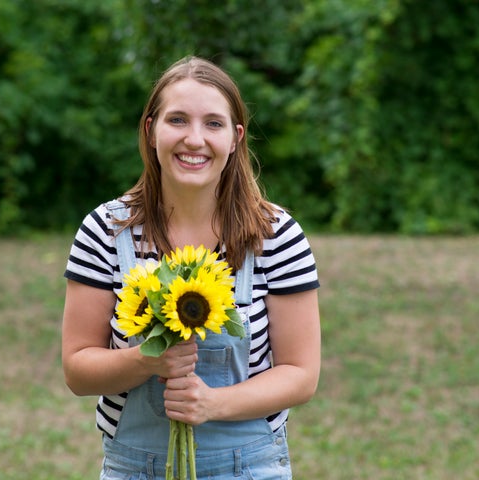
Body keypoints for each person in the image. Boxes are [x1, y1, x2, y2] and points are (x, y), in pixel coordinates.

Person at [62, 55, 321, 479]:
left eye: (213, 124)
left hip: (248, 468)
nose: (194, 139)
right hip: (134, 469)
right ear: (151, 130)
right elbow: (77, 370)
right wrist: (149, 360)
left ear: (236, 137)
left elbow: (301, 375)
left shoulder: (276, 236)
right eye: (177, 120)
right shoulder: (105, 232)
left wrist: (213, 403)